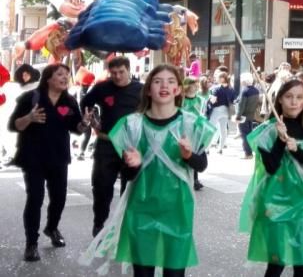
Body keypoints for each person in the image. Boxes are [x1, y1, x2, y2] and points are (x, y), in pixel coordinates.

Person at [81, 64, 215, 277]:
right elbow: (127, 176)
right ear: (148, 89)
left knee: (174, 273)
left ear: (178, 90)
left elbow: (202, 165)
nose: (164, 85)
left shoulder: (192, 124)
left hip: (177, 209)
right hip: (141, 208)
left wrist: (189, 155)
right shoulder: (132, 125)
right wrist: (132, 165)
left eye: (171, 81)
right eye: (157, 81)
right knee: (143, 272)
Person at [239, 78, 303, 277]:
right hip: (275, 201)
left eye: (299, 97)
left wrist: (297, 150)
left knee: (302, 262)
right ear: (279, 99)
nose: (294, 102)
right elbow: (271, 167)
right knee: (276, 263)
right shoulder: (267, 130)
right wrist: (280, 142)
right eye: (289, 97)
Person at [9, 63, 93, 262]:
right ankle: (31, 243)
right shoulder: (31, 98)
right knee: (35, 199)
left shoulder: (70, 101)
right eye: (60, 74)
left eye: (67, 74)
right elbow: (15, 125)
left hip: (58, 157)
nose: (65, 77)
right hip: (33, 158)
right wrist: (29, 117)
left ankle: (52, 227)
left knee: (59, 198)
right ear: (48, 78)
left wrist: (85, 123)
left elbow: (77, 128)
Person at [81, 56, 143, 237]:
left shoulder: (140, 90)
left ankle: (125, 226)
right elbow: (86, 103)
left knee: (130, 187)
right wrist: (93, 118)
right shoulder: (102, 87)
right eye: (113, 73)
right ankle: (99, 223)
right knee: (101, 187)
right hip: (106, 142)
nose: (117, 76)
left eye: (121, 72)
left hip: (131, 145)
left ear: (128, 70)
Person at [181, 78, 209, 191]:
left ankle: (195, 179)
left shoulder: (200, 100)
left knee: (197, 153)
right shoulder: (181, 100)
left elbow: (202, 113)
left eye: (197, 84)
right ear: (187, 86)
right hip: (185, 130)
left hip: (197, 130)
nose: (196, 86)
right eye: (193, 84)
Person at [206, 72, 236, 153]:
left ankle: (207, 148)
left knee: (211, 129)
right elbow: (233, 101)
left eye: (219, 77)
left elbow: (213, 101)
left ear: (223, 78)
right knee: (223, 129)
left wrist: (209, 97)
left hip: (217, 110)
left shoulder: (216, 88)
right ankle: (220, 148)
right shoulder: (231, 89)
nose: (217, 79)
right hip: (226, 110)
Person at [235, 73, 263, 160]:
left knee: (244, 136)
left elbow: (241, 105)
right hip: (251, 115)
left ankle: (248, 153)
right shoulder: (256, 90)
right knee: (249, 134)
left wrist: (237, 116)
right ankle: (250, 151)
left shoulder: (245, 91)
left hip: (244, 116)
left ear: (244, 81)